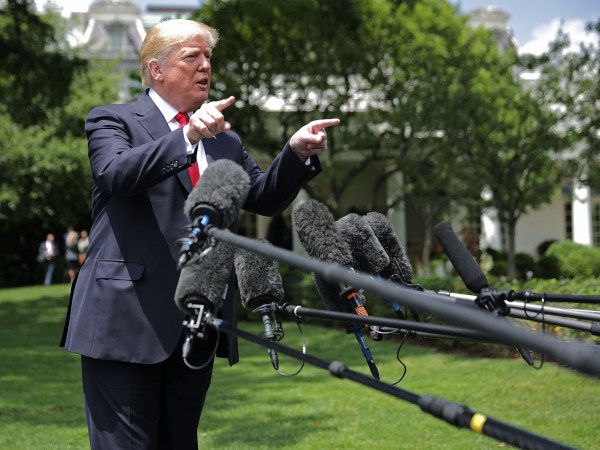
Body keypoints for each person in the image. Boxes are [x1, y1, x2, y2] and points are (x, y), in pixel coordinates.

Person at [60, 18, 339, 449]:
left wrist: (294, 153)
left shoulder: (224, 140)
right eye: (193, 57)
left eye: (208, 57)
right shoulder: (113, 120)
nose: (205, 66)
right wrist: (185, 136)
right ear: (156, 69)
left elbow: (261, 196)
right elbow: (115, 174)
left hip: (198, 323)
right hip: (125, 320)